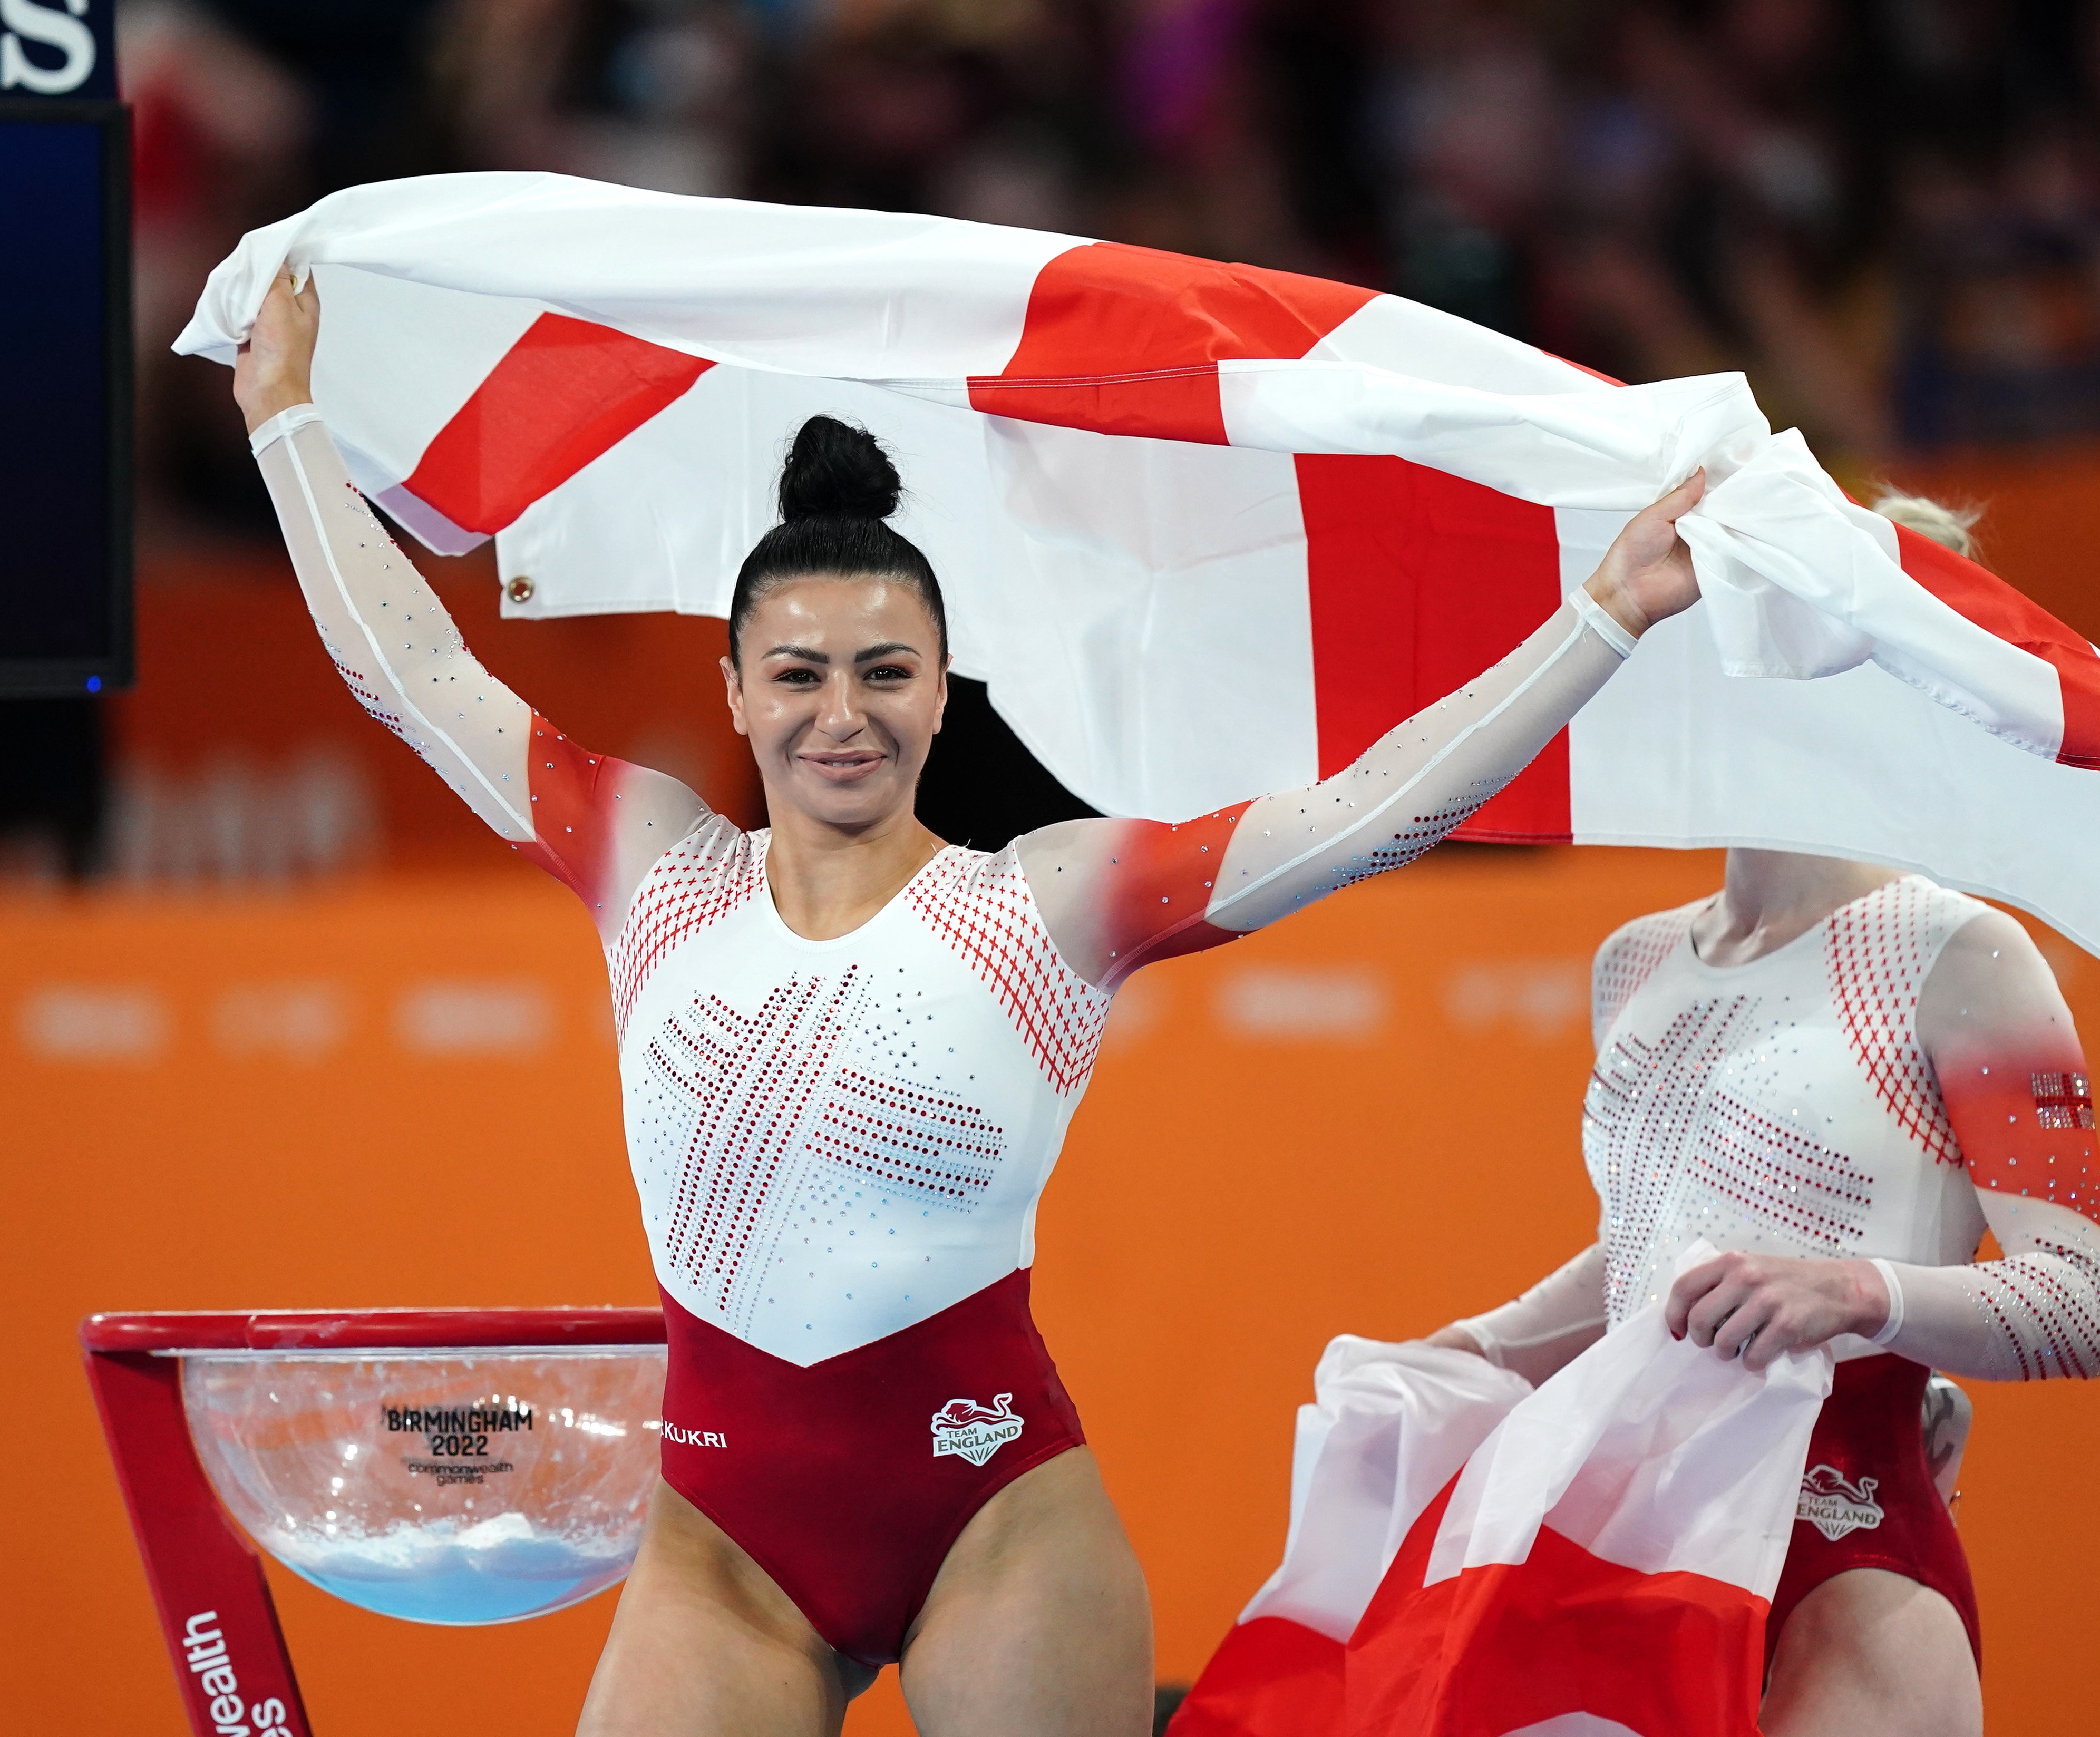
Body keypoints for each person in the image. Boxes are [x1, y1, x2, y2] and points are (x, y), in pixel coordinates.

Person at [229, 268, 1705, 1737]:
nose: (842, 713)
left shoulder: (1042, 904)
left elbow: (1369, 814)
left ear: (944, 693)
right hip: (722, 1554)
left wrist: (1605, 613)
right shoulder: (651, 863)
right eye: (797, 674)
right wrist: (285, 415)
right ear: (735, 690)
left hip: (995, 1526)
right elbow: (411, 675)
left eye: (887, 673)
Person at [1427, 497, 2100, 1737]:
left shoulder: (1960, 955)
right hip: (1633, 1535)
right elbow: (1661, 1248)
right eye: (1729, 635)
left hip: (1843, 1555)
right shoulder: (1635, 962)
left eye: (1800, 644)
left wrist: (1861, 1293)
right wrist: (1478, 1351)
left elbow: (2084, 1302)